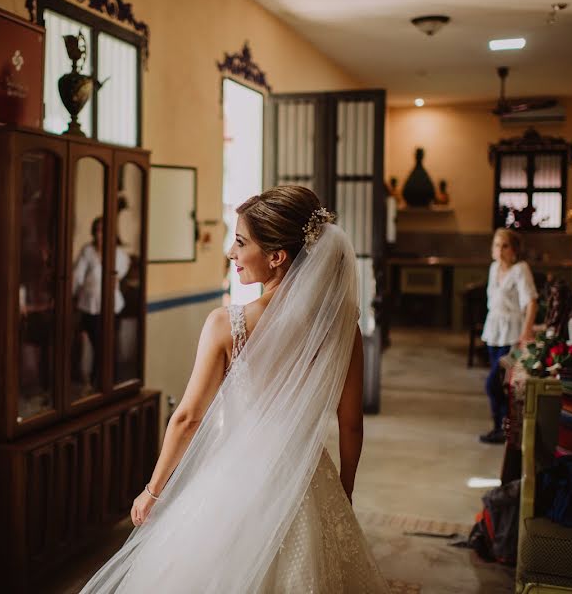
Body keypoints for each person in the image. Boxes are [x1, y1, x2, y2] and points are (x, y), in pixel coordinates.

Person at [81, 186, 389, 593]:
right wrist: (344, 490)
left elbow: (188, 418)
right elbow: (350, 423)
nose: (230, 252)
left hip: (234, 482)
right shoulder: (341, 328)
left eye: (241, 242)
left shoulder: (227, 324)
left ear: (277, 257)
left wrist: (153, 490)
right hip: (311, 480)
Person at [479, 228, 538, 444]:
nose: (500, 250)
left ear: (514, 250)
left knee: (494, 384)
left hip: (512, 335)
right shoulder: (494, 268)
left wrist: (526, 332)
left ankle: (505, 428)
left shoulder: (520, 270)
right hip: (494, 333)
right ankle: (501, 428)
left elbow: (531, 301)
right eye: (496, 245)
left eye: (505, 245)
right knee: (501, 385)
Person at [72, 216, 130, 389]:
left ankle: (109, 385)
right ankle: (98, 385)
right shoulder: (87, 251)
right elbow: (77, 277)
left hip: (112, 308)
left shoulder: (118, 254)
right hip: (90, 308)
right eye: (96, 230)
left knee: (110, 348)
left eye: (103, 231)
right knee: (99, 347)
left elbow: (120, 271)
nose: (99, 234)